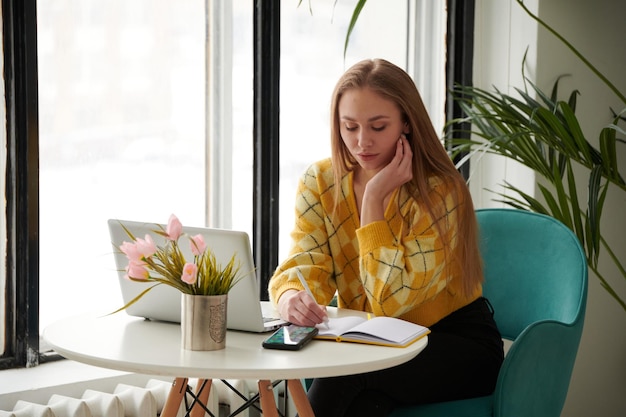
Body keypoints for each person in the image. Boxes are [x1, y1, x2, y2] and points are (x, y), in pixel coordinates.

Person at [268, 58, 504, 417]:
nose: (362, 142)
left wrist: (374, 200)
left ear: (406, 122)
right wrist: (290, 299)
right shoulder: (319, 181)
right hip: (374, 343)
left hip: (454, 343)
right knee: (362, 402)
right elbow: (304, 264)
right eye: (350, 127)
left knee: (342, 378)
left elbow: (391, 302)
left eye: (378, 126)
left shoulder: (440, 190)